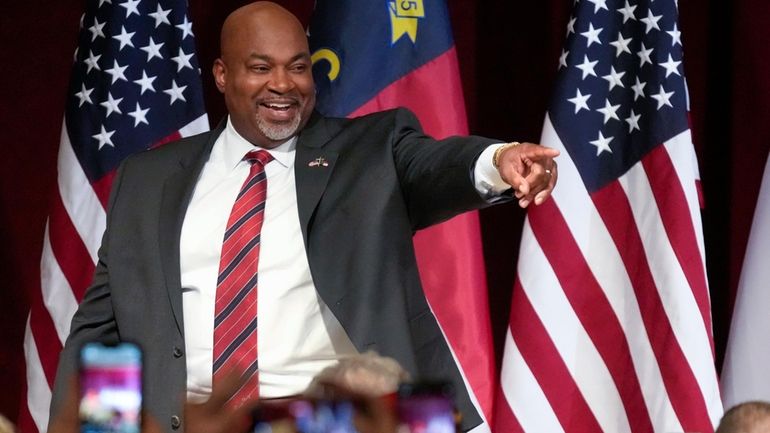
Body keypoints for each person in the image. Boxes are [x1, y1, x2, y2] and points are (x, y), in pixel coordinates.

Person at [49, 2, 559, 432]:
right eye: (260, 67)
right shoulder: (149, 180)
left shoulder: (371, 152)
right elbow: (102, 328)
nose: (283, 85)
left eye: (297, 66)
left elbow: (436, 167)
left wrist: (498, 161)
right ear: (223, 75)